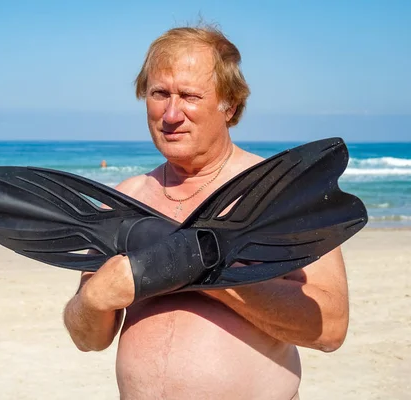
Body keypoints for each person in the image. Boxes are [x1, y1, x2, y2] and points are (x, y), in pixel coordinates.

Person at [62, 24, 349, 400]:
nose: (171, 114)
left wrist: (199, 270)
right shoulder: (124, 200)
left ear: (229, 105)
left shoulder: (281, 194)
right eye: (159, 93)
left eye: (189, 96)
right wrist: (92, 301)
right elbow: (88, 339)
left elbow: (330, 327)